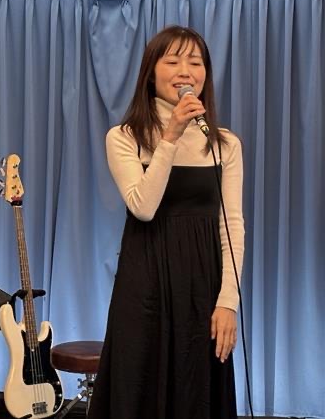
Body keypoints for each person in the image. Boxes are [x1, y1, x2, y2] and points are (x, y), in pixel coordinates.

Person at [89, 25, 244, 419]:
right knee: (140, 388)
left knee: (198, 390)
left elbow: (232, 226)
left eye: (195, 62)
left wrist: (228, 302)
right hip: (146, 284)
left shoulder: (225, 143)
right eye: (173, 61)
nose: (185, 71)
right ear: (151, 73)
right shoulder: (124, 137)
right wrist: (170, 136)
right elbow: (143, 206)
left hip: (202, 285)